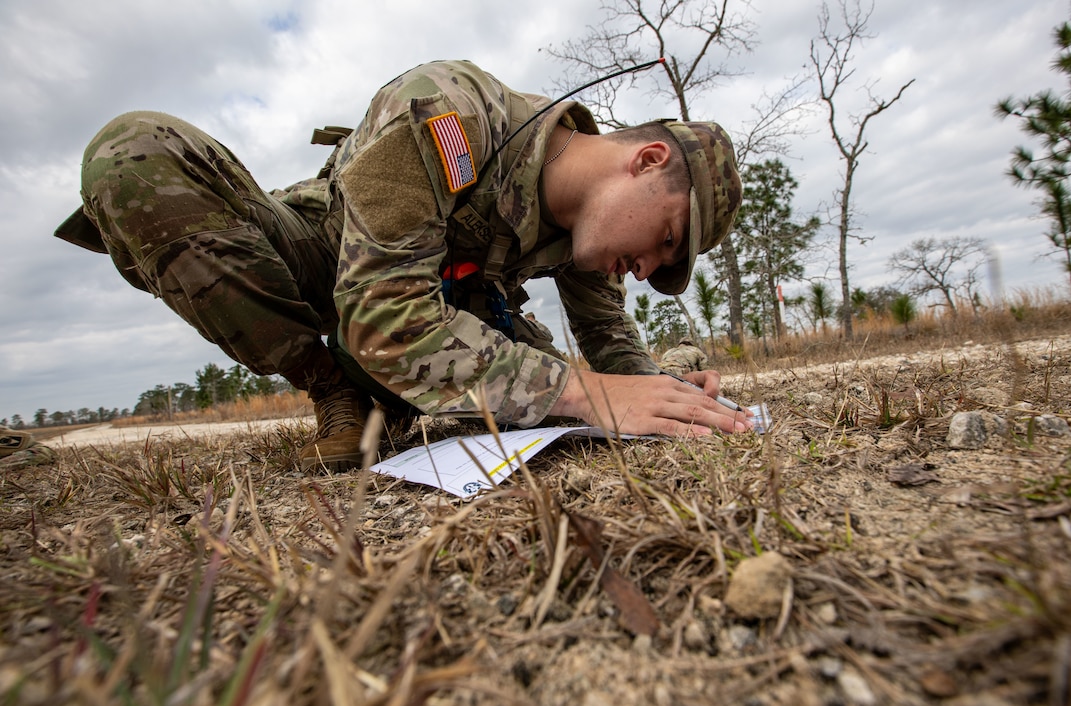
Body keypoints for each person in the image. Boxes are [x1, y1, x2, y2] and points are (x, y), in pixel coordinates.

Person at [55, 59, 750, 473]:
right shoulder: (449, 112)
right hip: (332, 268)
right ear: (648, 160)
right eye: (665, 239)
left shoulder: (591, 234)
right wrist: (582, 390)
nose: (644, 268)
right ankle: (336, 387)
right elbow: (381, 308)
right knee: (130, 152)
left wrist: (657, 386)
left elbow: (608, 344)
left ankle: (380, 390)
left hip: (460, 320)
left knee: (558, 381)